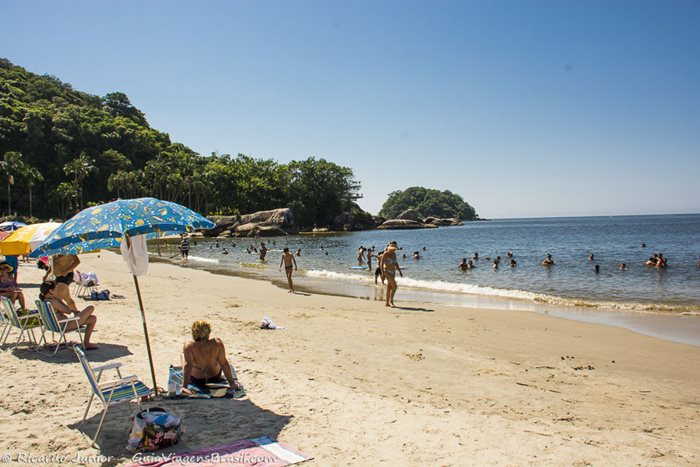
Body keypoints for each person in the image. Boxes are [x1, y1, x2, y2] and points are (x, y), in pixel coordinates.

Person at [180, 320, 241, 395]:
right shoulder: (217, 343)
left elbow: (188, 366)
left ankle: (187, 379)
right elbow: (224, 363)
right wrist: (232, 383)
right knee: (222, 358)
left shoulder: (189, 346)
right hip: (214, 377)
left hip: (196, 379)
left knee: (183, 355)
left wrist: (184, 387)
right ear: (208, 331)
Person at [39, 280, 98, 349]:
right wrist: (58, 299)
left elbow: (66, 310)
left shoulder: (44, 301)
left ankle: (86, 343)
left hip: (55, 325)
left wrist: (74, 311)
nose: (57, 291)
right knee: (91, 308)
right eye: (55, 289)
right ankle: (86, 343)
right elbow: (68, 310)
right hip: (64, 326)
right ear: (51, 291)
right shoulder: (54, 302)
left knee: (92, 318)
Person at [379, 241, 403, 307]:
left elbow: (396, 263)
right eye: (393, 248)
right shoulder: (385, 253)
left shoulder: (394, 254)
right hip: (386, 271)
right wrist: (382, 274)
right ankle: (391, 301)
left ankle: (387, 303)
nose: (394, 249)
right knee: (394, 286)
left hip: (393, 271)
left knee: (389, 287)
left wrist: (400, 271)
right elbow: (381, 264)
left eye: (395, 248)